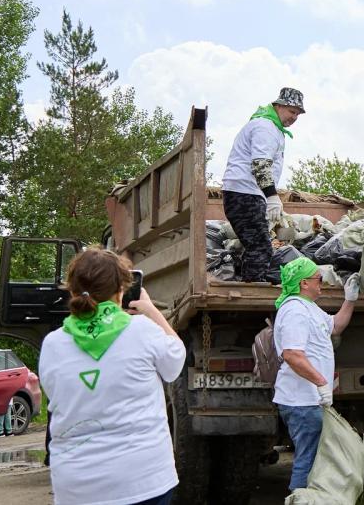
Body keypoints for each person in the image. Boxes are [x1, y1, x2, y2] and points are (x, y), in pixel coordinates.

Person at [39, 247, 186, 505]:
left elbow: (57, 395)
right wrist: (152, 311)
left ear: (72, 291)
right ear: (121, 290)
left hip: (76, 487)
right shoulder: (143, 330)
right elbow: (175, 363)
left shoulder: (53, 344)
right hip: (143, 480)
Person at [272, 257, 360, 491]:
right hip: (301, 401)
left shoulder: (309, 308)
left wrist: (350, 300)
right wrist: (321, 382)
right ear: (303, 283)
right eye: (317, 278)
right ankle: (300, 498)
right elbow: (292, 354)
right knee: (308, 459)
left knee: (313, 457)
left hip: (310, 400)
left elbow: (336, 326)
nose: (322, 281)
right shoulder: (294, 311)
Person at [222, 87, 305, 282]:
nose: (295, 117)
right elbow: (260, 166)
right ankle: (251, 294)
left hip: (247, 193)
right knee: (260, 247)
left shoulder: (271, 128)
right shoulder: (265, 128)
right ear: (278, 106)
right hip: (244, 194)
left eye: (298, 113)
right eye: (292, 111)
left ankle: (247, 283)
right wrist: (272, 197)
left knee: (256, 246)